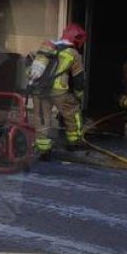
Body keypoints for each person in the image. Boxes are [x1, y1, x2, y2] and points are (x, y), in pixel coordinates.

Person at [27, 23, 87, 156]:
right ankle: (73, 142)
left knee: (42, 119)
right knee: (72, 112)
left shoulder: (47, 46)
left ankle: (43, 149)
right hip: (59, 91)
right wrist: (78, 95)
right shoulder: (74, 53)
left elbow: (29, 60)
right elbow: (79, 79)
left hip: (39, 89)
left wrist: (31, 79)